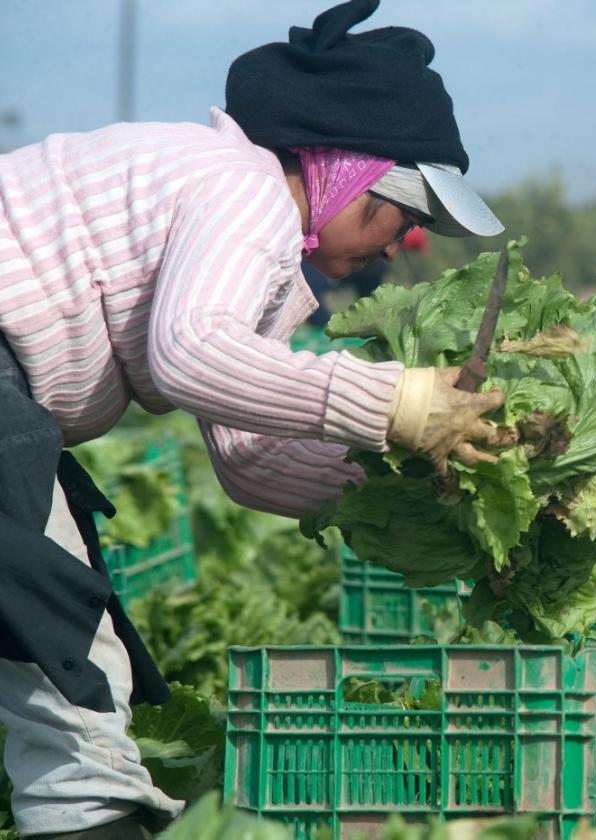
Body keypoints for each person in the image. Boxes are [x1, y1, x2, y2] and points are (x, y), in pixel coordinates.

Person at [0, 1, 514, 837]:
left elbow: (250, 455)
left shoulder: (267, 248)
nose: (398, 246)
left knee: (59, 628)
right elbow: (191, 354)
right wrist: (398, 402)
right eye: (405, 214)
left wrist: (412, 488)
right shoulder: (242, 189)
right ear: (349, 171)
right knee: (68, 656)